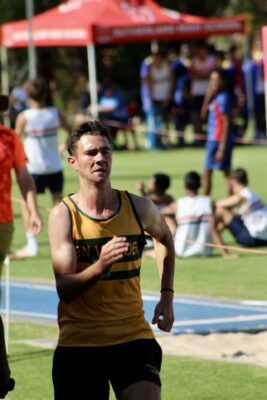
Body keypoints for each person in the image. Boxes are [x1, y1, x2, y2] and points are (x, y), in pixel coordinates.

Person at [48, 120, 175, 400]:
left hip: (133, 337)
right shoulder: (63, 215)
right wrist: (100, 266)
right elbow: (65, 289)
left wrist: (167, 295)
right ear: (73, 161)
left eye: (105, 151)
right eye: (91, 153)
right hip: (80, 343)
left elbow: (165, 238)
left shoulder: (139, 207)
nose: (100, 159)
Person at [0, 94, 42, 398]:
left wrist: (33, 208)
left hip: (1, 223)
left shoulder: (9, 138)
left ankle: (0, 376)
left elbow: (24, 176)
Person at [12, 78, 72, 259]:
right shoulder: (56, 113)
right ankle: (61, 241)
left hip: (33, 168)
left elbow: (14, 139)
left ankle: (32, 244)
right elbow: (72, 131)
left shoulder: (25, 116)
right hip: (55, 165)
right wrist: (63, 146)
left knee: (26, 203)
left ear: (28, 96)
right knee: (57, 205)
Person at [160, 171, 232, 258]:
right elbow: (213, 230)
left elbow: (159, 213)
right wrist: (225, 253)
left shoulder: (178, 204)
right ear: (200, 186)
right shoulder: (208, 201)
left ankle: (155, 249)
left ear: (185, 187)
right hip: (205, 251)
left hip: (181, 251)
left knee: (167, 218)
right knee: (219, 213)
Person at [201, 68, 234, 196]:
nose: (214, 83)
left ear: (223, 81)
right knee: (208, 170)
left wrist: (222, 147)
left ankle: (228, 200)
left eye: (217, 79)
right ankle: (206, 199)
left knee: (224, 172)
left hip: (219, 140)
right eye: (212, 80)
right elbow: (203, 116)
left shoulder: (224, 98)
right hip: (212, 139)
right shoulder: (214, 97)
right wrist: (207, 98)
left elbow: (226, 122)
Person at [216, 168, 267, 247]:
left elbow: (238, 199)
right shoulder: (251, 193)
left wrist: (213, 203)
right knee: (231, 215)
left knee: (222, 211)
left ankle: (215, 241)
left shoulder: (243, 194)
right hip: (264, 239)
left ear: (232, 183)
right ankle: (215, 236)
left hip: (253, 239)